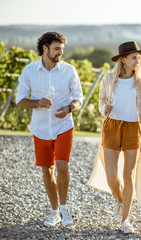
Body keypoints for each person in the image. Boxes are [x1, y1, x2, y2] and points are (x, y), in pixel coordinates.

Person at [16, 31, 83, 227]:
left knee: (62, 166)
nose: (59, 53)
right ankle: (54, 212)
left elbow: (78, 98)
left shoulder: (69, 70)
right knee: (47, 170)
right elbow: (20, 101)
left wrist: (70, 108)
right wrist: (37, 102)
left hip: (63, 125)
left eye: (61, 49)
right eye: (56, 49)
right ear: (44, 48)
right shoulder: (29, 71)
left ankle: (64, 208)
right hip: (40, 128)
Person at [87, 41, 141, 234]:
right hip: (112, 126)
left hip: (134, 129)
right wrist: (103, 109)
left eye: (139, 57)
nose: (138, 60)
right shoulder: (108, 79)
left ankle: (126, 220)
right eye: (134, 57)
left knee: (128, 175)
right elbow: (100, 103)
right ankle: (120, 199)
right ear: (123, 59)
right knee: (111, 177)